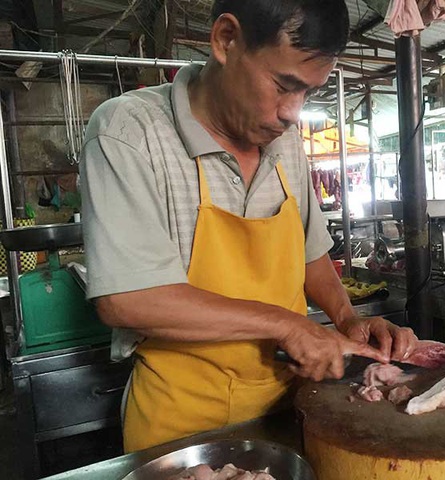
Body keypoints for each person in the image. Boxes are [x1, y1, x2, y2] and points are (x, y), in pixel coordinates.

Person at [80, 0, 418, 453]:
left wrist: (347, 317)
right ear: (225, 39)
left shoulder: (285, 143)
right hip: (184, 430)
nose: (292, 112)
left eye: (308, 93)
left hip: (291, 407)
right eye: (284, 85)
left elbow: (310, 256)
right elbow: (128, 300)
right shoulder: (130, 133)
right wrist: (286, 326)